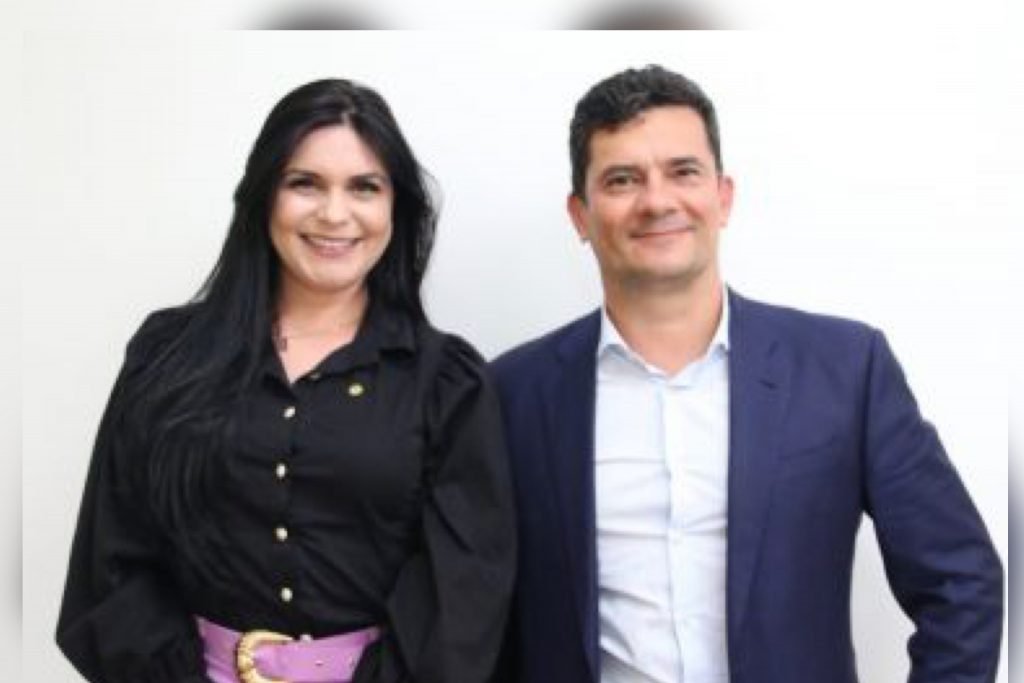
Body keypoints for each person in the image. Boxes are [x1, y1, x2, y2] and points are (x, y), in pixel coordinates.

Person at [491, 65, 1003, 683]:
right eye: (622, 179)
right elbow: (474, 614)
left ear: (723, 196)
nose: (657, 201)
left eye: (683, 172)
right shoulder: (511, 395)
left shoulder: (845, 370)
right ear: (580, 214)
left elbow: (961, 582)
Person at [56, 78, 515, 683]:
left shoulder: (447, 382)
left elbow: (464, 600)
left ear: (395, 207)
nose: (335, 213)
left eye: (365, 187)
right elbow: (111, 565)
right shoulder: (167, 353)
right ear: (263, 196)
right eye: (305, 183)